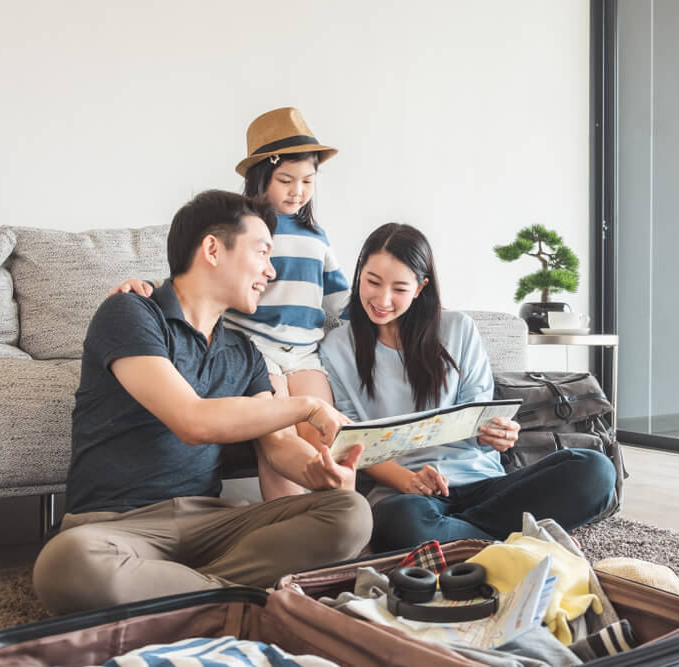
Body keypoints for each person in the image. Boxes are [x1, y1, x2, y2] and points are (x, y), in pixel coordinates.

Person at [33, 190, 372, 615]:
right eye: (263, 252)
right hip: (117, 527)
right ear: (213, 248)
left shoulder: (244, 352)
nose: (271, 271)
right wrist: (304, 405)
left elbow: (279, 444)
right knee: (66, 565)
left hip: (214, 524)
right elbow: (191, 420)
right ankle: (240, 596)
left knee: (351, 513)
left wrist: (322, 471)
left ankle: (192, 596)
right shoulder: (131, 313)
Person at [320, 223, 617, 552]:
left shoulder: (457, 330)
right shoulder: (336, 347)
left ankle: (467, 543)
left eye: (400, 289)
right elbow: (353, 441)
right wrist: (410, 482)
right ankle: (518, 544)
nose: (382, 299)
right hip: (407, 494)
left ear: (420, 288)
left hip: (485, 483)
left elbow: (479, 420)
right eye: (372, 282)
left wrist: (497, 435)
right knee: (398, 523)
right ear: (359, 273)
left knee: (596, 472)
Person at [114, 107, 350, 501]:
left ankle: (333, 512)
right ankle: (284, 514)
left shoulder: (318, 237)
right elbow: (192, 280)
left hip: (306, 352)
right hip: (259, 347)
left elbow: (342, 299)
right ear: (262, 180)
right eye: (286, 180)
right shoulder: (240, 230)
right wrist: (149, 290)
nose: (297, 191)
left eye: (307, 181)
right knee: (277, 433)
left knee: (326, 429)